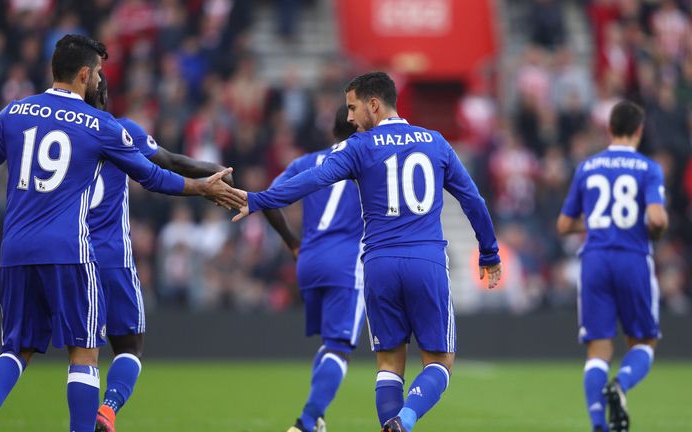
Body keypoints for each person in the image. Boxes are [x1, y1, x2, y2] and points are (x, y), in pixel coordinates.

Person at [0, 34, 240, 432]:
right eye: (100, 73)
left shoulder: (13, 113)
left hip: (16, 248)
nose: (102, 81)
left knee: (16, 346)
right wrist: (201, 187)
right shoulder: (102, 125)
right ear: (86, 74)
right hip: (72, 249)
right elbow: (155, 175)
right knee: (85, 353)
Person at [232, 72, 502, 432]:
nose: (348, 118)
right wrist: (489, 252)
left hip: (378, 265)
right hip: (426, 261)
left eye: (352, 107)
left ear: (374, 105)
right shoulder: (436, 142)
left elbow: (311, 179)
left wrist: (256, 199)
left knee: (389, 364)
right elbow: (472, 199)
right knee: (439, 361)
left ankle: (389, 423)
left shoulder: (360, 147)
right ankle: (405, 420)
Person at [84, 73, 233, 432]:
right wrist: (210, 176)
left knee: (79, 352)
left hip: (68, 254)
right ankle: (108, 409)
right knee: (130, 347)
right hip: (112, 255)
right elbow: (167, 163)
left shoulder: (55, 131)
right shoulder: (122, 131)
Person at [557, 101, 668, 432]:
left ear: (609, 129)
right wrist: (655, 229)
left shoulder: (587, 167)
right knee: (644, 342)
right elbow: (657, 218)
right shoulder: (648, 168)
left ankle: (598, 425)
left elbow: (563, 225)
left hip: (594, 261)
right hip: (632, 258)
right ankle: (620, 385)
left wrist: (595, 222)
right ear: (639, 131)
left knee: (597, 349)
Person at [262, 106, 363, 432]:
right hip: (346, 262)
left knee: (328, 344)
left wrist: (292, 242)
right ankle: (305, 423)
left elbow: (269, 198)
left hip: (310, 260)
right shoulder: (370, 161)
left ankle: (317, 420)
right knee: (339, 347)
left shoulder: (306, 162)